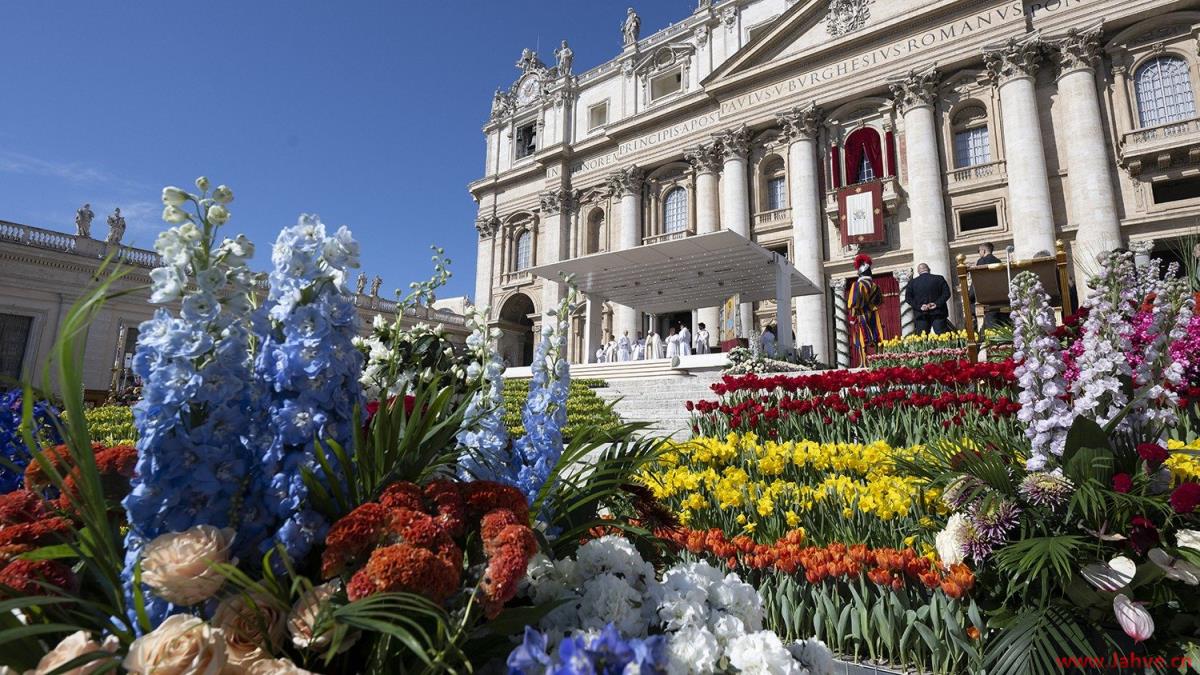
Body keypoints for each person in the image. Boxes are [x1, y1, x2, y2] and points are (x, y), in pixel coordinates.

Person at [848, 254, 884, 366]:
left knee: (862, 339)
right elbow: (879, 301)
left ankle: (863, 363)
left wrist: (853, 316)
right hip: (874, 313)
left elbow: (853, 302)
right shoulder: (875, 286)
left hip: (861, 314)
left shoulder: (857, 285)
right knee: (877, 336)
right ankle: (879, 360)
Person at [905, 262, 952, 335]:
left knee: (922, 339)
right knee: (943, 337)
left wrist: (920, 307)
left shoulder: (912, 283)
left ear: (918, 272)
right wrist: (936, 304)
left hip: (921, 314)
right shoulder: (939, 278)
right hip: (938, 312)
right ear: (929, 269)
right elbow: (947, 294)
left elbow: (908, 298)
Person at [972, 242, 1010, 329]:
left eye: (979, 251)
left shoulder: (982, 261)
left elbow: (978, 280)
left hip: (987, 299)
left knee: (991, 325)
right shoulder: (998, 261)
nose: (979, 253)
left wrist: (971, 295)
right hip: (1001, 298)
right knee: (1002, 324)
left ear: (984, 251)